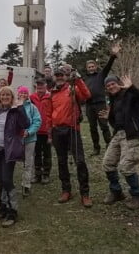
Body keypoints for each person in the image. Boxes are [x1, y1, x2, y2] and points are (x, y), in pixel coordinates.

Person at [100, 75, 139, 209]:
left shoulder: (130, 94)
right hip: (118, 135)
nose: (111, 87)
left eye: (113, 84)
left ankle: (137, 195)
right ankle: (116, 192)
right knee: (107, 163)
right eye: (108, 86)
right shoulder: (113, 100)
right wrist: (109, 117)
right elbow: (118, 121)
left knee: (126, 166)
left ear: (119, 83)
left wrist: (132, 87)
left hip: (132, 135)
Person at [0, 86, 30, 228]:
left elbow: (26, 124)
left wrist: (20, 107)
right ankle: (2, 206)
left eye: (7, 95)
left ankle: (13, 211)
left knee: (7, 180)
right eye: (2, 95)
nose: (5, 97)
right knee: (1, 180)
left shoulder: (15, 112)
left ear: (12, 97)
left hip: (8, 151)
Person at [50, 65, 92, 208]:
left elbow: (87, 95)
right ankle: (66, 190)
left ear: (66, 76)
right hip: (57, 130)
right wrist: (50, 132)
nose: (59, 77)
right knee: (62, 161)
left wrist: (78, 80)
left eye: (61, 75)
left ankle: (85, 193)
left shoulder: (73, 88)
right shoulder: (52, 93)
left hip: (72, 129)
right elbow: (49, 114)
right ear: (54, 77)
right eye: (57, 75)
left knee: (80, 161)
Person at [83, 43, 120, 155]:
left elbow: (108, 66)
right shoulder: (85, 79)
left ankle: (109, 146)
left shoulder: (101, 75)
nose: (91, 68)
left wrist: (113, 55)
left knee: (104, 126)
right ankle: (96, 148)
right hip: (89, 105)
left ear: (96, 67)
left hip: (100, 104)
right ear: (87, 68)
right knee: (92, 128)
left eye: (92, 66)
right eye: (89, 67)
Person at [16, 86, 41, 197]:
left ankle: (26, 184)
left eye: (25, 93)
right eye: (21, 93)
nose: (23, 95)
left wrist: (29, 132)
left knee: (28, 162)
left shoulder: (32, 107)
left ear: (28, 95)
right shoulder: (14, 106)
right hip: (16, 139)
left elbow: (37, 121)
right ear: (18, 94)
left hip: (30, 139)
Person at [30, 79, 53, 184]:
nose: (40, 90)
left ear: (45, 87)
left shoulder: (50, 97)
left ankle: (46, 174)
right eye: (38, 88)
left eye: (42, 87)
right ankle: (37, 174)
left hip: (47, 130)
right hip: (36, 131)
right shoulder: (32, 97)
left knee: (47, 154)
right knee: (37, 153)